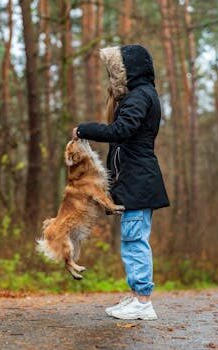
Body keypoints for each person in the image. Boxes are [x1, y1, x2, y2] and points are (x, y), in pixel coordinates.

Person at [72, 45, 169, 320]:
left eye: (114, 69)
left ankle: (143, 300)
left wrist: (84, 129)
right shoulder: (141, 94)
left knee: (135, 239)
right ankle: (136, 295)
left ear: (128, 70)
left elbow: (122, 130)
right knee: (131, 239)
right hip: (134, 181)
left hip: (139, 181)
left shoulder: (140, 95)